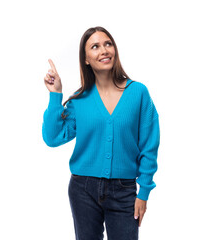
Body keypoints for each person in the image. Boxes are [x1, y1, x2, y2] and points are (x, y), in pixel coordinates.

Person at [42, 26, 160, 240]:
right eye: (95, 46)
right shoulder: (79, 100)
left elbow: (149, 145)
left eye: (108, 44)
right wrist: (55, 95)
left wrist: (143, 192)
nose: (104, 50)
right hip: (82, 189)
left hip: (124, 191)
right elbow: (52, 137)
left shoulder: (138, 92)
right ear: (86, 59)